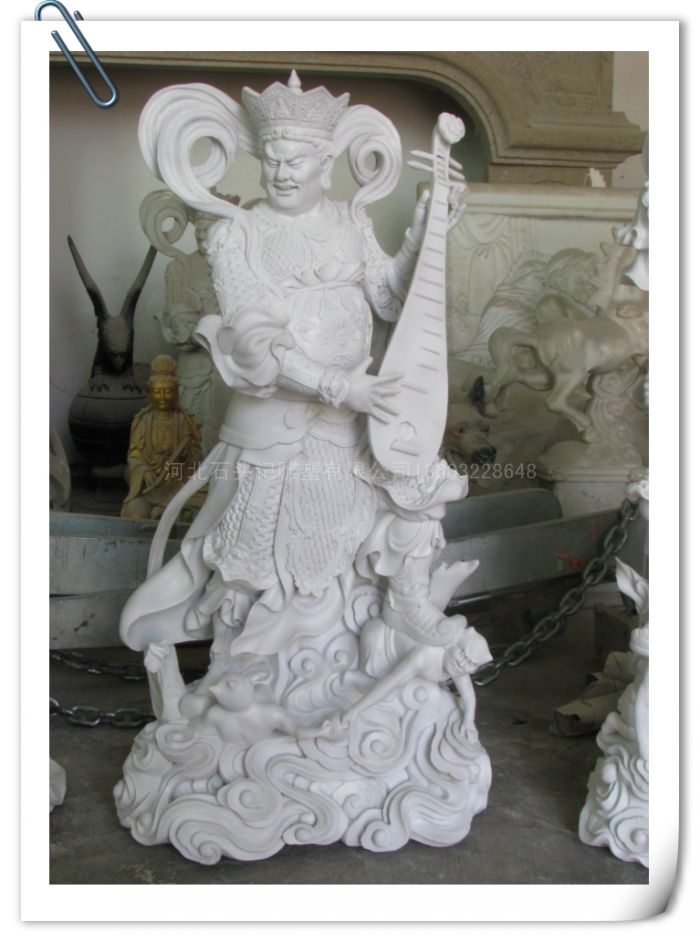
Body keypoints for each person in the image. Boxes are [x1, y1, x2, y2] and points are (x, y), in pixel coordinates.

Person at [121, 72, 467, 687]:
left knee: (403, 506)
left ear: (326, 163)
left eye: (296, 160)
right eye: (272, 160)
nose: (281, 173)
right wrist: (338, 386)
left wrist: (425, 231)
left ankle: (382, 633)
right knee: (263, 557)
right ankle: (251, 681)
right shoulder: (236, 233)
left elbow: (390, 299)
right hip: (279, 427)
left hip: (358, 421)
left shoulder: (352, 222)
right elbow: (255, 341)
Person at [120, 354, 202, 521]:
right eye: (157, 392)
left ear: (176, 393)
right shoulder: (143, 422)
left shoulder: (184, 421)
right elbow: (134, 457)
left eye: (168, 392)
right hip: (150, 488)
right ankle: (160, 510)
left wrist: (186, 456)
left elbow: (196, 456)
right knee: (136, 512)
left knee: (199, 507)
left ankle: (165, 510)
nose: (162, 397)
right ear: (149, 394)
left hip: (178, 484)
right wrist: (144, 471)